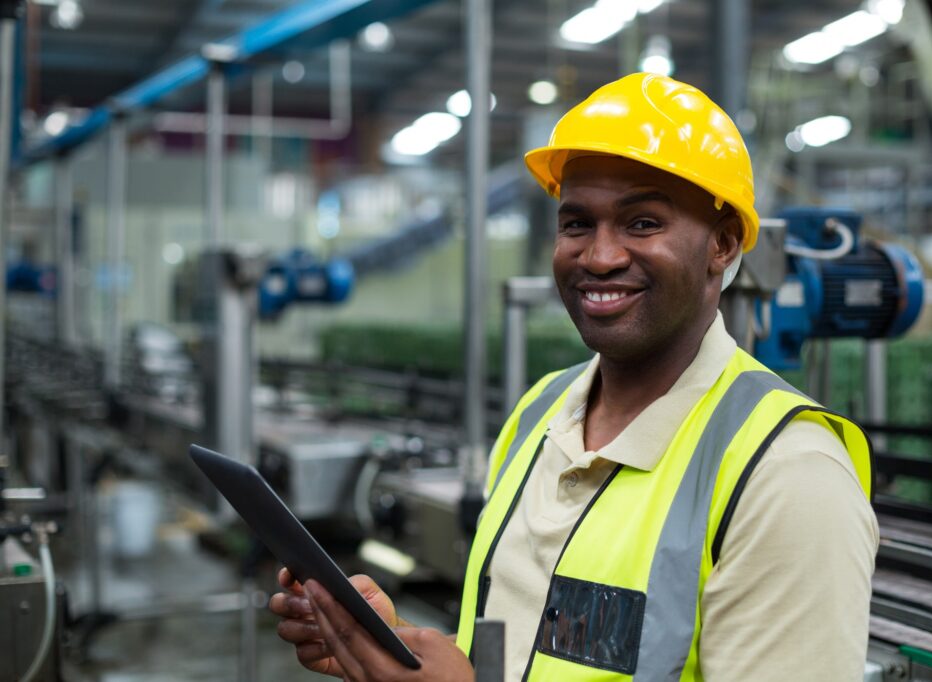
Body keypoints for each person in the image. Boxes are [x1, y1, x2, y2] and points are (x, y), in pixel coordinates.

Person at [270, 72, 878, 682]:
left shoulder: (789, 477)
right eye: (576, 223)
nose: (599, 256)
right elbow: (522, 654)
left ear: (721, 244)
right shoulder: (541, 412)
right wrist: (393, 648)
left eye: (643, 223)